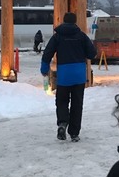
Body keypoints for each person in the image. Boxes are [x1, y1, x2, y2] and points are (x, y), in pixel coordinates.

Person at [40, 12, 96, 142]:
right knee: (77, 103)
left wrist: (44, 68)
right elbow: (92, 53)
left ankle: (62, 123)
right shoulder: (82, 36)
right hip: (79, 75)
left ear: (64, 21)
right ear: (75, 21)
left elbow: (47, 53)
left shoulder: (57, 37)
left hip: (64, 75)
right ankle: (74, 133)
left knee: (62, 101)